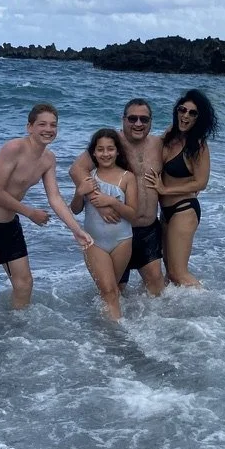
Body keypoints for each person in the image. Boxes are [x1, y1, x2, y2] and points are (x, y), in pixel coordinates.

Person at [0, 103, 93, 333]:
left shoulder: (48, 159)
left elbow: (55, 198)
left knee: (24, 285)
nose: (48, 129)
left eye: (53, 125)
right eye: (42, 124)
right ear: (29, 127)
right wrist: (30, 212)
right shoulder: (13, 148)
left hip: (9, 226)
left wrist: (76, 230)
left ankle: (15, 333)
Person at [69, 98, 166, 296]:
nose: (138, 123)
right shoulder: (113, 143)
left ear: (151, 121)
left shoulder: (158, 144)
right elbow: (77, 169)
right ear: (123, 119)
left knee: (156, 282)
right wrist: (99, 203)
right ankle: (108, 317)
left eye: (144, 119)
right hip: (117, 228)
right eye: (132, 118)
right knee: (115, 289)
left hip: (148, 228)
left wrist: (186, 189)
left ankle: (150, 318)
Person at [144, 89, 218, 287]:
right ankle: (179, 308)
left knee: (179, 274)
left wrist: (164, 190)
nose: (185, 115)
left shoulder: (198, 146)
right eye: (182, 110)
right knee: (170, 273)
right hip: (165, 212)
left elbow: (201, 182)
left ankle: (210, 302)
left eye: (192, 113)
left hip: (184, 209)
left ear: (199, 118)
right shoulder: (170, 135)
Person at [70, 128, 137, 320]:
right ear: (93, 153)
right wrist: (79, 192)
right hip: (94, 242)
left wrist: (113, 202)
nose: (105, 154)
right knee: (108, 290)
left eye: (110, 149)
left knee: (112, 290)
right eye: (100, 149)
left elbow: (133, 215)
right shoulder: (89, 178)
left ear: (118, 151)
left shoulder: (127, 177)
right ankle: (114, 330)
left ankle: (102, 324)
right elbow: (75, 209)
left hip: (122, 241)